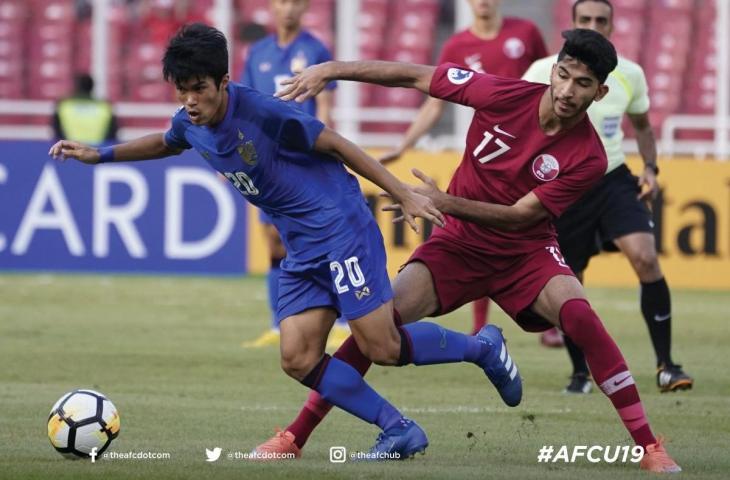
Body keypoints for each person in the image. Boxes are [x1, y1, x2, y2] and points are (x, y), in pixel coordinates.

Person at [49, 23, 524, 460]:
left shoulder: (263, 113)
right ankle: (397, 428)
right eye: (182, 91)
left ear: (223, 81)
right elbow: (168, 141)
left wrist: (399, 191)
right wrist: (100, 155)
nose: (190, 101)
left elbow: (336, 143)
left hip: (341, 230)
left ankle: (482, 348)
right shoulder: (190, 121)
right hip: (302, 246)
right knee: (296, 356)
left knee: (382, 347)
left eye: (199, 89)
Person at [256, 28, 681, 473]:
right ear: (554, 71)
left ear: (601, 93)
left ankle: (649, 446)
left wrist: (443, 202)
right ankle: (294, 435)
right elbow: (414, 77)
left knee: (580, 317)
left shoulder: (589, 156)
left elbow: (520, 216)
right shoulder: (501, 93)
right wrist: (332, 69)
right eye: (565, 75)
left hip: (526, 253)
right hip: (457, 245)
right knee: (377, 327)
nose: (568, 91)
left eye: (583, 84)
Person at [522, 0, 693, 395]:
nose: (594, 26)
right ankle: (581, 373)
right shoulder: (541, 72)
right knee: (570, 282)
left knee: (646, 257)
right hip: (563, 186)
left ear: (612, 25)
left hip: (612, 177)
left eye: (601, 20)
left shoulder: (629, 74)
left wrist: (651, 169)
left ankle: (667, 365)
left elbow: (643, 126)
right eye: (586, 20)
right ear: (574, 24)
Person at [378, 0, 556, 343]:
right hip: (490, 152)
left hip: (533, 154)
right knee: (480, 230)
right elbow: (435, 102)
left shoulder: (526, 34)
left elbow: (548, 81)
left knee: (529, 230)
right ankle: (480, 328)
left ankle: (546, 317)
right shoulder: (458, 45)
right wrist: (405, 145)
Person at [239, 0, 345, 349]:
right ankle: (276, 324)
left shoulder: (314, 48)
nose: (289, 9)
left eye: (297, 3)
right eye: (283, 2)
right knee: (272, 239)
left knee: (323, 235)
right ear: (272, 6)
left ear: (305, 8)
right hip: (268, 161)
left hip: (304, 156)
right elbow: (243, 106)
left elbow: (326, 104)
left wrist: (325, 146)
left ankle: (342, 318)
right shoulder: (258, 53)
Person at [52, 74, 118, 145]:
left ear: (76, 87)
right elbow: (112, 132)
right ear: (92, 87)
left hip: (71, 150)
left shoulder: (63, 105)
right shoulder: (105, 106)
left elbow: (57, 132)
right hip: (97, 150)